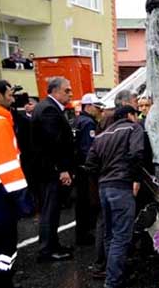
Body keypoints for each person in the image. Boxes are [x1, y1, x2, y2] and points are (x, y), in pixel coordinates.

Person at [85, 106, 144, 288]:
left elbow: (90, 164)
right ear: (129, 115)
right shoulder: (134, 128)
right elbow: (136, 154)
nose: (137, 118)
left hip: (104, 187)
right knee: (121, 236)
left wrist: (103, 175)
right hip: (122, 186)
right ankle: (113, 281)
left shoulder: (101, 135)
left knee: (109, 235)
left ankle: (113, 275)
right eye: (136, 114)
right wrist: (135, 178)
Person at [31, 76, 75, 262]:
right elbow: (53, 144)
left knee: (53, 210)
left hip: (48, 170)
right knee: (50, 211)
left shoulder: (49, 107)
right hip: (50, 171)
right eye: (67, 90)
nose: (70, 93)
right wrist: (62, 169)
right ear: (55, 91)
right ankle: (47, 250)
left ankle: (53, 245)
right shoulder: (49, 109)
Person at [0, 79, 33, 288]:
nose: (13, 97)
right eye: (9, 94)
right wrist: (25, 203)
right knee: (3, 247)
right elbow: (7, 167)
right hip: (0, 195)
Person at [73, 93, 103, 245]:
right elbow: (89, 148)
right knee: (87, 202)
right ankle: (84, 235)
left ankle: (81, 233)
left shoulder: (78, 120)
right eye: (97, 107)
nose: (98, 111)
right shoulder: (88, 123)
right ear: (88, 106)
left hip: (78, 167)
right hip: (86, 169)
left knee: (81, 202)